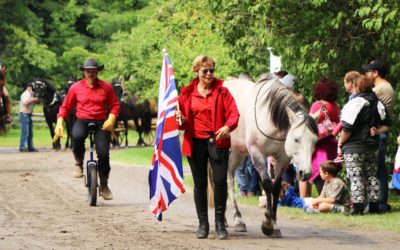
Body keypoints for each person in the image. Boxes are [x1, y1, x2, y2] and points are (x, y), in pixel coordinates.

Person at [175, 55, 239, 239]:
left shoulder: (222, 91)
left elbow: (234, 113)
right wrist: (180, 119)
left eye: (211, 70)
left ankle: (220, 223)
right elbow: (181, 123)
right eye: (205, 71)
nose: (209, 74)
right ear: (196, 71)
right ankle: (203, 224)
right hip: (195, 143)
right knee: (200, 184)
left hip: (217, 141)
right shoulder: (186, 93)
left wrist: (228, 126)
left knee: (219, 183)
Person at [53, 57, 120, 200]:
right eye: (88, 71)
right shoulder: (75, 87)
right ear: (84, 71)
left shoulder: (106, 87)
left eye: (93, 71)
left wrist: (112, 117)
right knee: (76, 136)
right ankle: (78, 163)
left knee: (103, 153)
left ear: (97, 71)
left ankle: (104, 184)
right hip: (82, 119)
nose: (90, 73)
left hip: (101, 122)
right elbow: (65, 106)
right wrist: (60, 121)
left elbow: (115, 104)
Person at [337, 75, 391, 215]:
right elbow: (386, 125)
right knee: (372, 176)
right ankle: (374, 206)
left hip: (354, 146)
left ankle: (358, 207)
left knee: (356, 176)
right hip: (372, 146)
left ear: (357, 87)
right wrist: (377, 130)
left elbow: (347, 127)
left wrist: (340, 142)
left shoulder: (356, 103)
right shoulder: (378, 103)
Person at [362, 59, 395, 213]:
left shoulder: (380, 88)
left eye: (368, 71)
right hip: (380, 131)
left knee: (377, 169)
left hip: (378, 132)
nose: (366, 74)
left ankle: (380, 203)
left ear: (376, 73)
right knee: (377, 169)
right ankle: (378, 202)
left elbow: (360, 98)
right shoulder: (383, 87)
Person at [303, 79, 340, 198]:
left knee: (321, 174)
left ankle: (324, 200)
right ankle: (333, 199)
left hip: (320, 148)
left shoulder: (317, 106)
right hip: (332, 145)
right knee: (331, 176)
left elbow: (309, 125)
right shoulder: (335, 107)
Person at [234, 72, 260, 197]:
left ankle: (251, 190)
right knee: (240, 166)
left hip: (253, 138)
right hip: (239, 138)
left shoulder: (256, 99)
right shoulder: (235, 99)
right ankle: (244, 190)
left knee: (253, 165)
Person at [19, 82, 39, 152]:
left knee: (30, 132)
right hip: (24, 115)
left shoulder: (30, 95)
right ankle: (22, 147)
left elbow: (36, 102)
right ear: (30, 88)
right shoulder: (25, 94)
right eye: (33, 89)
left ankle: (30, 146)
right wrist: (34, 99)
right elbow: (25, 103)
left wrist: (36, 98)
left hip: (28, 115)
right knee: (25, 132)